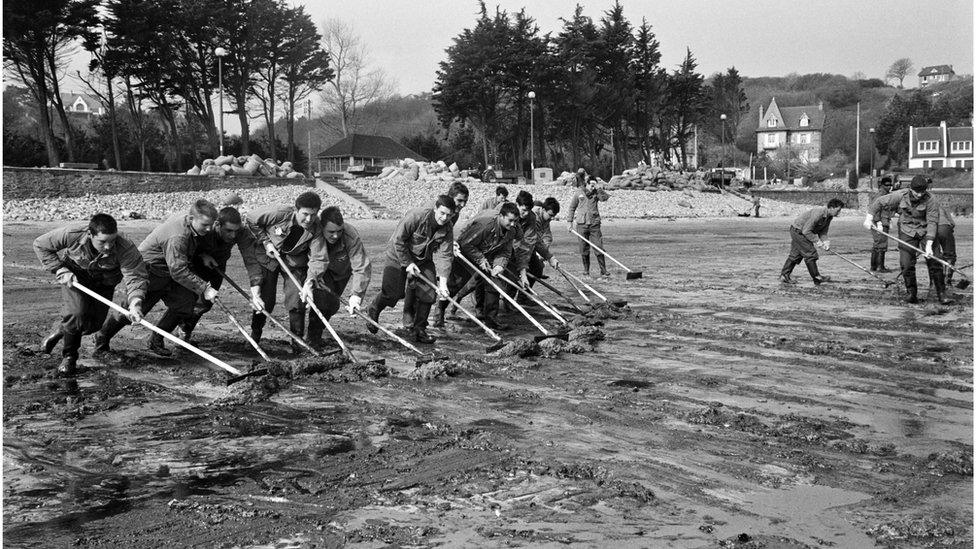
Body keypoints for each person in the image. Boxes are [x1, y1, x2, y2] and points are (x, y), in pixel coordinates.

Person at [94, 200, 220, 357]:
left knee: (185, 302)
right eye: (205, 225)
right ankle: (102, 338)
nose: (209, 229)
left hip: (170, 270)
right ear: (190, 218)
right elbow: (179, 271)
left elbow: (182, 257)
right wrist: (205, 288)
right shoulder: (177, 236)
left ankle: (156, 339)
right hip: (149, 271)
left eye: (211, 225)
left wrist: (202, 254)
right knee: (131, 310)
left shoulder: (191, 224)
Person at [33, 214, 148, 375]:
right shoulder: (72, 234)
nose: (108, 246)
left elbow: (135, 276)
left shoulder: (125, 247)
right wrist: (59, 269)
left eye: (112, 241)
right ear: (90, 235)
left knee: (93, 325)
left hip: (104, 282)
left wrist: (135, 303)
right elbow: (41, 245)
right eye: (102, 242)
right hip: (75, 277)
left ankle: (62, 330)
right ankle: (70, 357)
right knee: (76, 313)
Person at [366, 195, 455, 344]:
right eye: (442, 213)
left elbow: (445, 255)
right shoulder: (416, 216)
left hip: (422, 259)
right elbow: (398, 240)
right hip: (397, 253)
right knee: (393, 294)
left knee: (429, 293)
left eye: (449, 215)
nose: (445, 218)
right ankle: (373, 308)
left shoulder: (447, 227)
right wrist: (407, 263)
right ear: (435, 209)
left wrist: (443, 283)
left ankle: (420, 329)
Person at [246, 191, 327, 353]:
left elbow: (318, 258)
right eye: (305, 214)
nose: (309, 219)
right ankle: (255, 334)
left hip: (294, 262)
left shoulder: (316, 227)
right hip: (268, 258)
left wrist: (310, 281)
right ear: (296, 210)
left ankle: (297, 340)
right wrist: (266, 241)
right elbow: (251, 219)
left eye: (313, 214)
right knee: (265, 301)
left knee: (297, 299)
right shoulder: (279, 213)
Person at [176, 206, 264, 344]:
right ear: (217, 224)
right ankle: (167, 334)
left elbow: (251, 260)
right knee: (186, 300)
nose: (233, 236)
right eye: (228, 231)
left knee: (206, 303)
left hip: (217, 265)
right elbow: (185, 246)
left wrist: (256, 290)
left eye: (236, 231)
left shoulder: (242, 232)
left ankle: (185, 330)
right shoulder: (205, 227)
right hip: (194, 263)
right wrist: (202, 254)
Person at [865, 175, 949, 304]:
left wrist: (929, 244)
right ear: (911, 189)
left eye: (922, 192)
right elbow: (879, 202)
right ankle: (912, 294)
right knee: (906, 264)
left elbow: (932, 222)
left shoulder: (932, 200)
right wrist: (869, 218)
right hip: (907, 231)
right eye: (917, 192)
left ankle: (941, 294)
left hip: (926, 231)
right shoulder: (899, 195)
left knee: (935, 261)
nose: (920, 195)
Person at [306, 206, 371, 349]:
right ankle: (312, 338)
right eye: (331, 232)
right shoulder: (313, 231)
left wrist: (356, 295)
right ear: (322, 227)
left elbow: (361, 266)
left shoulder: (351, 236)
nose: (336, 236)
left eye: (339, 231)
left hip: (341, 272)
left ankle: (318, 332)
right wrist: (314, 276)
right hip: (320, 272)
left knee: (333, 305)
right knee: (322, 302)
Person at [450, 202, 520, 330]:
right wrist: (481, 259)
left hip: (487, 254)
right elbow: (466, 243)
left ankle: (491, 321)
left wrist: (499, 265)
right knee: (457, 284)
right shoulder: (485, 225)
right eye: (510, 220)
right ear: (501, 216)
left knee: (494, 284)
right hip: (465, 252)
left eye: (515, 221)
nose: (513, 224)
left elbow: (505, 251)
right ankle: (440, 314)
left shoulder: (512, 230)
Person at [779, 198, 844, 285]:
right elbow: (806, 231)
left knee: (796, 255)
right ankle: (816, 277)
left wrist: (825, 242)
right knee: (810, 253)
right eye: (838, 210)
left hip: (802, 232)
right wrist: (817, 241)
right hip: (798, 231)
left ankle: (784, 276)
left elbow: (823, 231)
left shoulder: (829, 217)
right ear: (831, 207)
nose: (839, 213)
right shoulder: (818, 213)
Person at [567, 175, 610, 278]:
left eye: (594, 185)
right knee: (584, 249)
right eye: (591, 185)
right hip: (582, 225)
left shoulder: (596, 193)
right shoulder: (579, 193)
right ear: (586, 184)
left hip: (594, 225)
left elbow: (604, 198)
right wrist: (569, 222)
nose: (592, 187)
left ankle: (603, 271)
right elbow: (572, 208)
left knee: (598, 247)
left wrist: (599, 189)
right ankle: (586, 271)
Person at [528, 197, 560, 287]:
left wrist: (543, 253)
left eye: (553, 216)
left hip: (533, 246)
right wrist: (548, 256)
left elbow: (547, 236)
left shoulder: (546, 218)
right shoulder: (534, 217)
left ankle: (523, 297)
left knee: (538, 268)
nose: (551, 218)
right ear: (543, 209)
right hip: (522, 246)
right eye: (550, 215)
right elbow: (535, 239)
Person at [869, 176, 894, 272]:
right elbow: (874, 209)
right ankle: (880, 267)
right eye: (887, 185)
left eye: (890, 185)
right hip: (879, 223)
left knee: (878, 244)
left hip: (884, 222)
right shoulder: (880, 196)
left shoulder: (887, 195)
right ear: (882, 185)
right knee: (881, 245)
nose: (889, 187)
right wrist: (878, 222)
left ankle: (874, 266)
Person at [936, 203, 957, 289]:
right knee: (950, 255)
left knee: (934, 255)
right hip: (945, 227)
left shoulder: (922, 206)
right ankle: (947, 280)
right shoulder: (941, 207)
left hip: (930, 229)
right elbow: (952, 223)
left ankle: (936, 282)